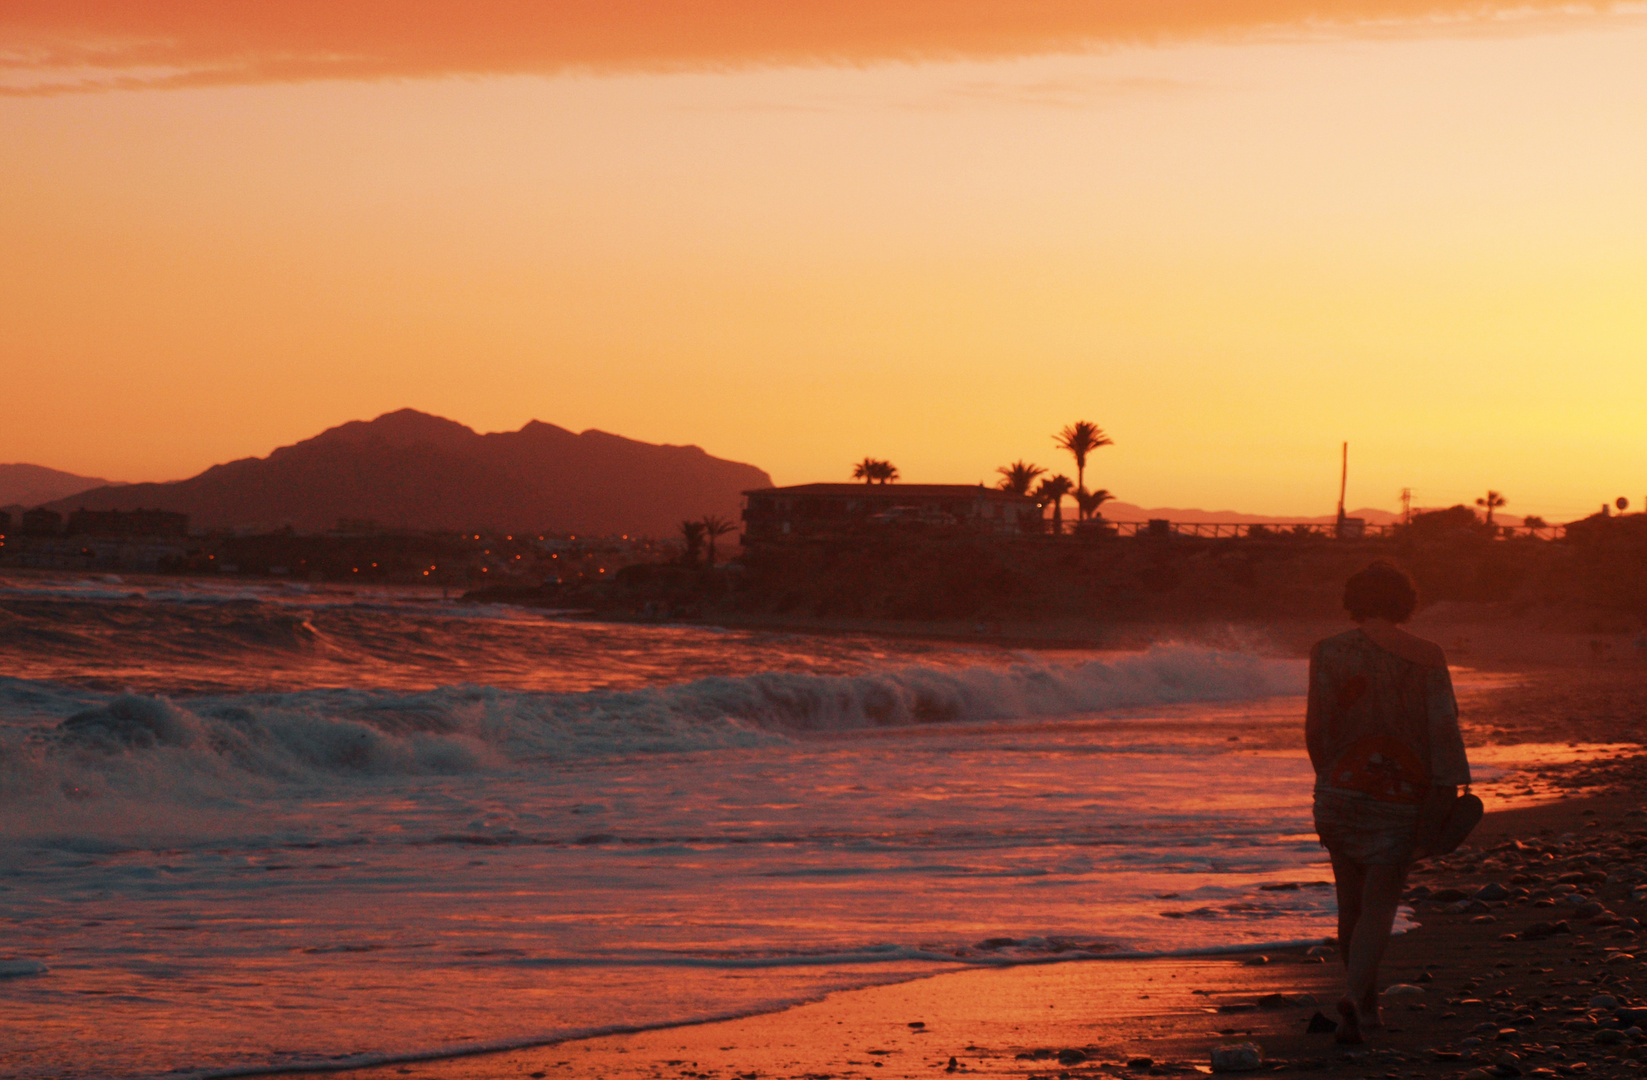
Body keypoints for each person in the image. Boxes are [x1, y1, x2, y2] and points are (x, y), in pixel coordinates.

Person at [1306, 560, 1471, 1044]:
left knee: (1348, 905)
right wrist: (1446, 792)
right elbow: (1443, 728)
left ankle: (1367, 1006)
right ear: (1406, 601)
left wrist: (1329, 779)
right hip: (1400, 795)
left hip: (1338, 790)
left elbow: (1316, 729)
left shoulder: (1327, 651)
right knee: (1380, 906)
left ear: (1353, 599)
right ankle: (1356, 1000)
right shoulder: (1426, 654)